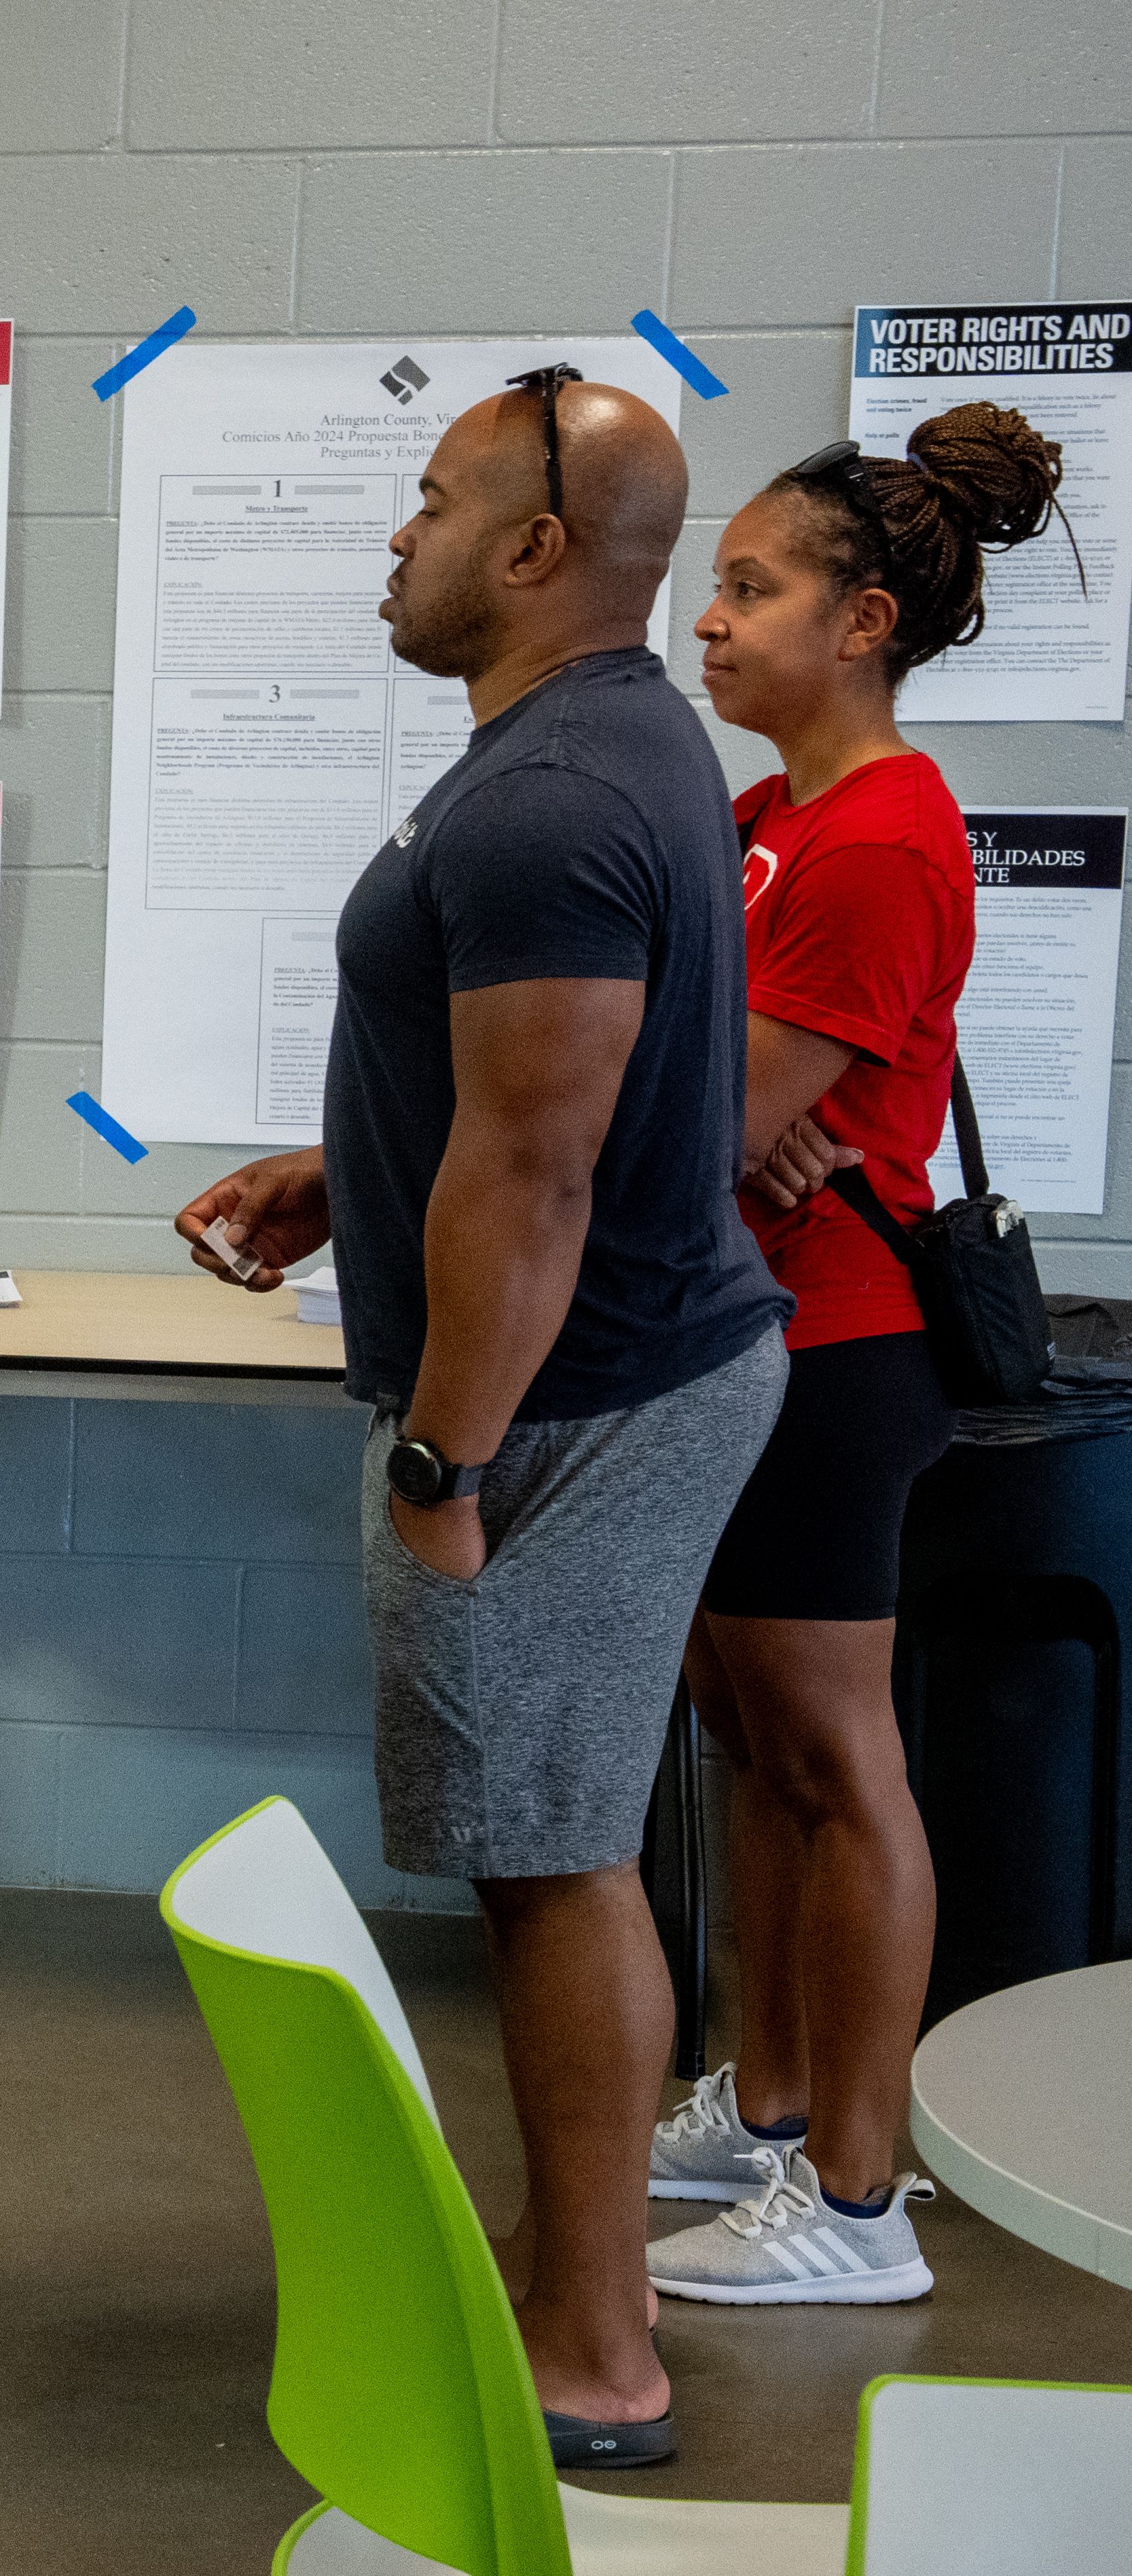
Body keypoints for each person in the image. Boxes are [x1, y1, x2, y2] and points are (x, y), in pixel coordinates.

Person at [176, 372, 791, 2471]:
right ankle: (577, 2256)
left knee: (546, 1854)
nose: (396, 536)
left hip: (576, 1404)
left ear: (534, 551)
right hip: (596, 1368)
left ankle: (598, 2345)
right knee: (547, 1839)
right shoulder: (584, 750)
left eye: (430, 502)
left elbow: (536, 1172)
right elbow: (519, 1108)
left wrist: (442, 1463)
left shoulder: (548, 795)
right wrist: (337, 1174)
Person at [642, 405, 1072, 2306]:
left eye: (749, 588)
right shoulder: (756, 826)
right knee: (744, 1740)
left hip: (839, 1346)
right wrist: (728, 1098)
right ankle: (768, 2094)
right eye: (711, 584)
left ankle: (858, 2197)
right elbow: (674, 1065)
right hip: (739, 1331)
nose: (707, 622)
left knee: (835, 1756)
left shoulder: (884, 833)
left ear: (866, 617)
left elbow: (709, 1109)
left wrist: (743, 1103)